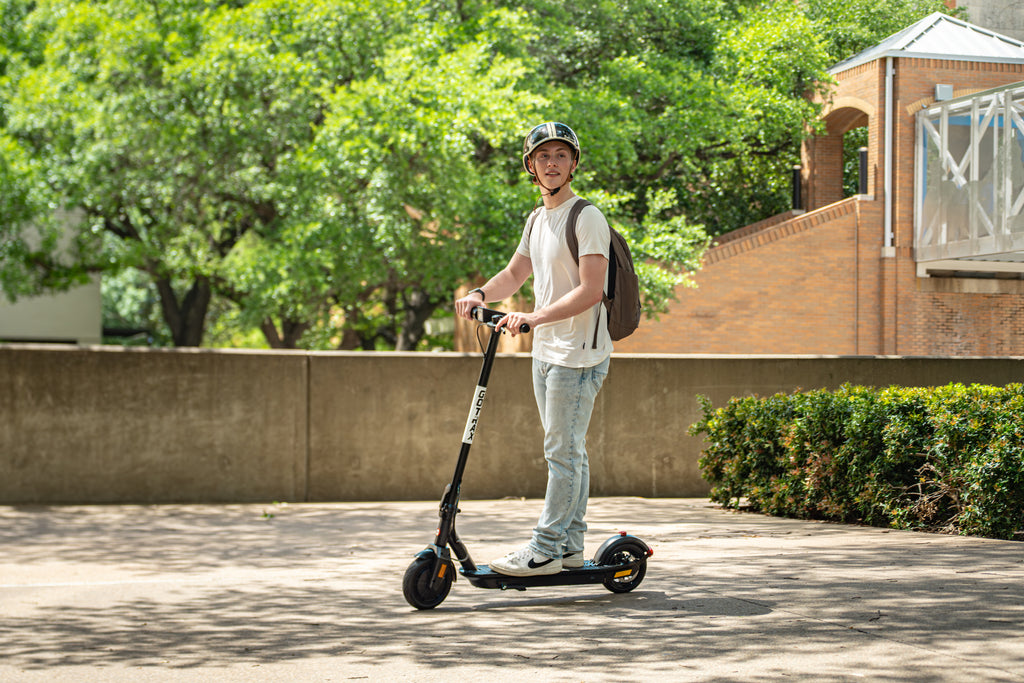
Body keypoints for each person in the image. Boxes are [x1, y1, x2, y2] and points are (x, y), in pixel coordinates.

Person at [454, 121, 612, 576]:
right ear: (530, 165)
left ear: (574, 163)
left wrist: (534, 317)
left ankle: (544, 549)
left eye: (561, 155)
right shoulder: (537, 218)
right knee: (570, 452)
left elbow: (591, 291)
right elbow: (515, 274)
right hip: (546, 352)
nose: (552, 162)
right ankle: (569, 548)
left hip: (578, 355)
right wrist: (482, 293)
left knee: (561, 453)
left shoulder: (587, 217)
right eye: (543, 156)